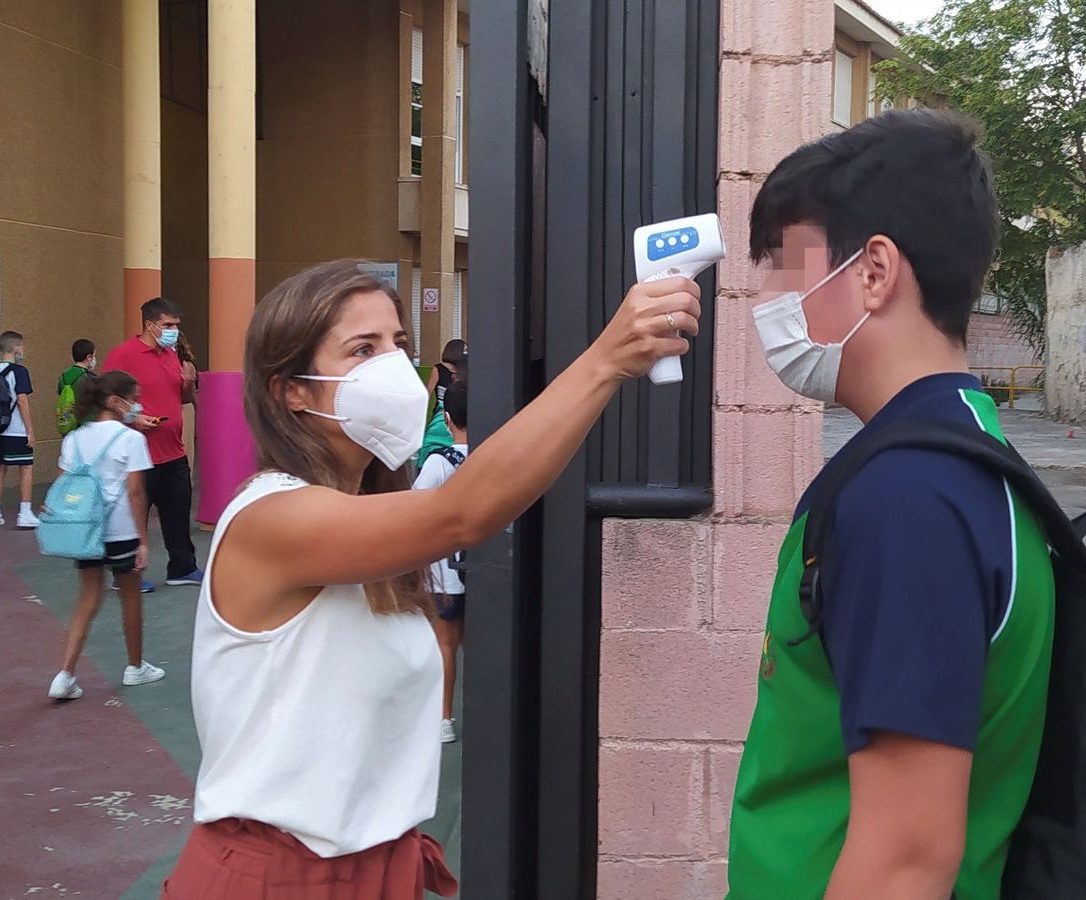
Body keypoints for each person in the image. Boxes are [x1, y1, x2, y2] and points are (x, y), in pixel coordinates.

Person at [162, 261, 698, 897]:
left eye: (398, 344)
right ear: (290, 391)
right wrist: (606, 360)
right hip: (277, 877)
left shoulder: (369, 520)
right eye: (362, 349)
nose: (391, 365)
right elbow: (462, 512)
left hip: (379, 868)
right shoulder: (269, 519)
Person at [727, 110, 1056, 900]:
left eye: (782, 266)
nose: (766, 299)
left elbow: (905, 862)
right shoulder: (965, 447)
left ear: (874, 270)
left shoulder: (908, 500)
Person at [47, 371, 165, 701]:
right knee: (130, 596)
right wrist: (143, 540)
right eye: (134, 397)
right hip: (121, 529)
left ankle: (65, 673)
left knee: (87, 597)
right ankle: (135, 666)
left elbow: (62, 483)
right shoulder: (131, 439)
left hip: (86, 529)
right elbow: (136, 491)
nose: (137, 405)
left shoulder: (74, 438)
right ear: (116, 401)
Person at [103, 298, 201, 592]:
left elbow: (183, 399)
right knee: (134, 516)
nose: (174, 331)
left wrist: (188, 383)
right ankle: (126, 574)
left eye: (176, 326)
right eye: (168, 325)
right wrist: (134, 416)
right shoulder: (123, 355)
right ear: (150, 324)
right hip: (138, 454)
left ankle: (183, 568)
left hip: (173, 451)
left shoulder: (171, 355)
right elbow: (104, 398)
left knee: (178, 512)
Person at [411, 380, 468, 744]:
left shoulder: (439, 461)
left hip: (445, 572)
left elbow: (417, 509)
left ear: (446, 419)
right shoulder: (494, 457)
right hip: (482, 566)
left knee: (445, 645)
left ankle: (444, 718)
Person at [0, 331, 39, 529]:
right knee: (26, 468)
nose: (23, 351)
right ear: (16, 349)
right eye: (21, 347)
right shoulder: (20, 371)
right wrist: (30, 430)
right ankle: (25, 512)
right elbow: (22, 400)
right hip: (15, 430)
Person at [55, 338, 97, 436]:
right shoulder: (89, 378)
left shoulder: (64, 375)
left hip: (68, 424)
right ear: (89, 357)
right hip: (85, 429)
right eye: (94, 356)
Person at [423, 339, 466, 404]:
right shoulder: (439, 369)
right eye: (465, 350)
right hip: (442, 408)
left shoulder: (465, 369)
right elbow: (429, 391)